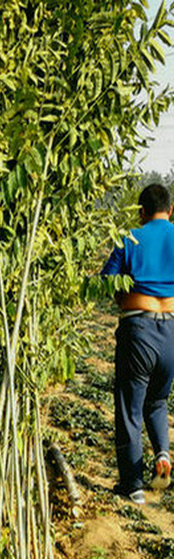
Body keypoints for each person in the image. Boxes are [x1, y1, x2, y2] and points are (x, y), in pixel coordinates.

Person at [101, 183, 174, 504]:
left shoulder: (130, 238)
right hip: (172, 331)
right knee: (158, 401)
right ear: (169, 211)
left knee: (130, 410)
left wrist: (125, 294)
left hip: (138, 331)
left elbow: (108, 281)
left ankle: (133, 485)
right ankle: (163, 455)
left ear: (141, 212)